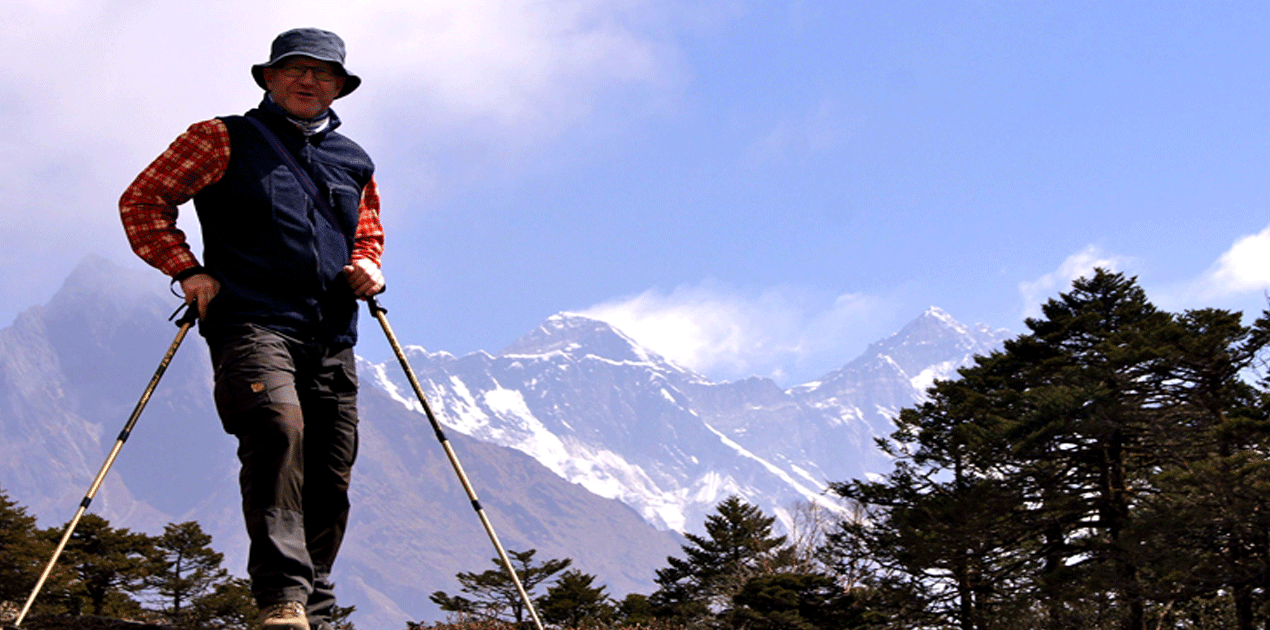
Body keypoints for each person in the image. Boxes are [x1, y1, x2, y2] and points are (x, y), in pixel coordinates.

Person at [119, 28, 384, 630]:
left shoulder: (355, 160)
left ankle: (309, 606)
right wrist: (186, 271)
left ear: (340, 87)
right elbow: (143, 201)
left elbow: (367, 232)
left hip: (332, 333)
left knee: (330, 471)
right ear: (268, 78)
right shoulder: (219, 139)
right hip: (250, 322)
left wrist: (370, 266)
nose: (308, 81)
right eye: (295, 69)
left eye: (323, 73)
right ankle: (282, 600)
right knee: (278, 432)